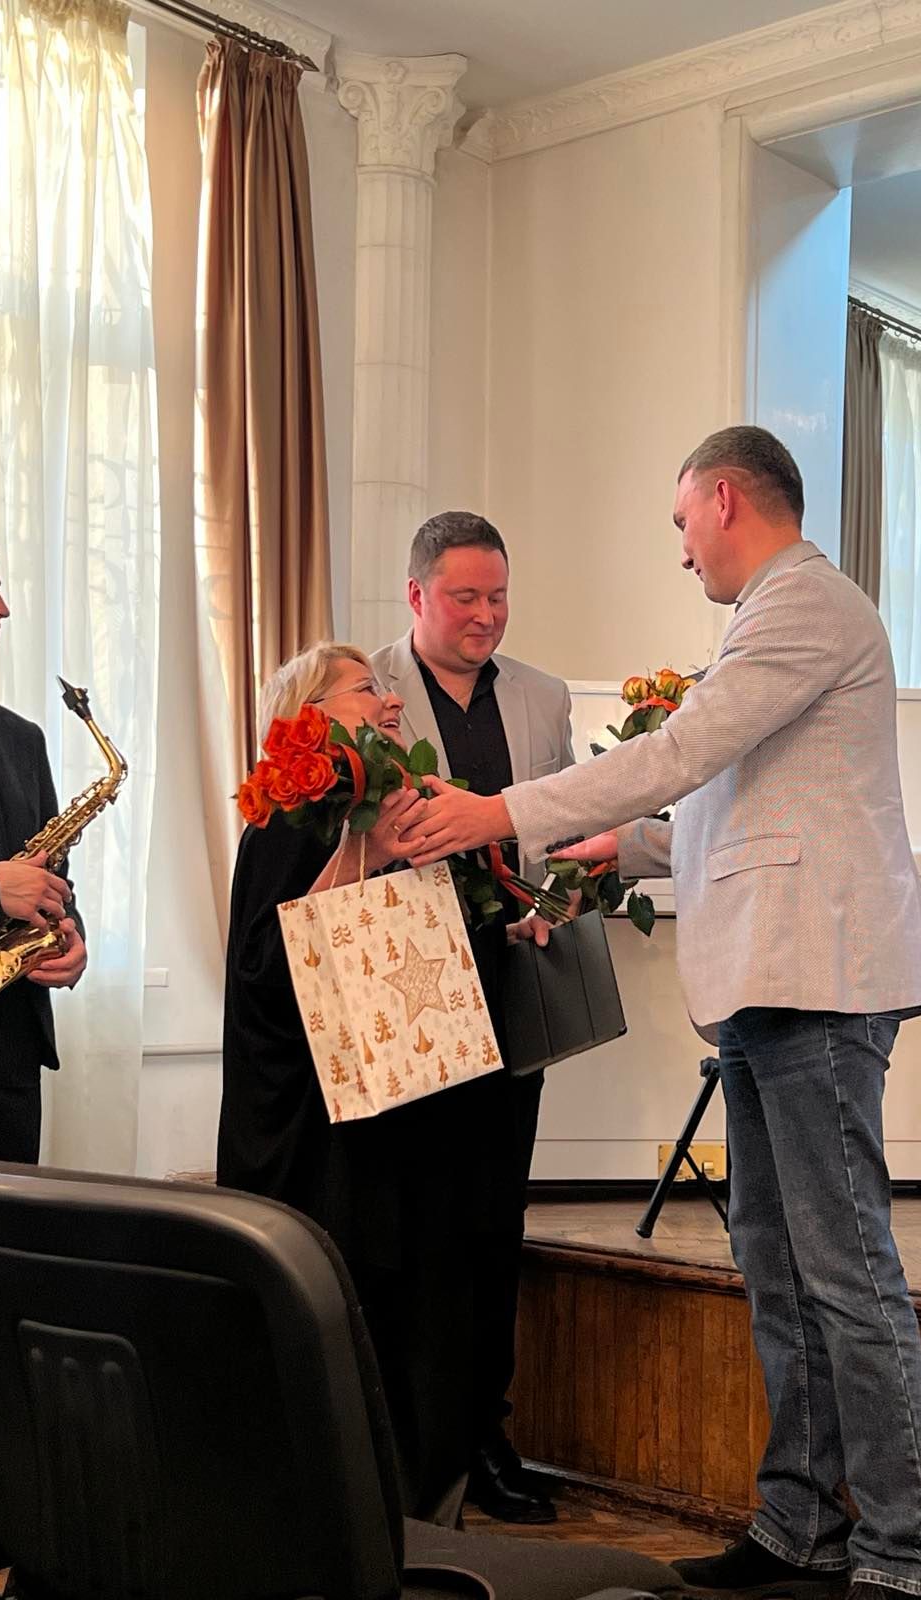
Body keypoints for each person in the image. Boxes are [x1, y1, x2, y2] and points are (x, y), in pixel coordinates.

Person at [397, 429, 921, 1600]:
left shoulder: (805, 604)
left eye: (683, 521)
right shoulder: (770, 617)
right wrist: (623, 844)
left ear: (725, 498)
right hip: (767, 983)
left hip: (818, 980)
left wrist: (502, 811)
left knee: (845, 1272)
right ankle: (800, 1526)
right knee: (778, 1267)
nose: (682, 548)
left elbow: (688, 749)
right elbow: (725, 800)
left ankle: (899, 1558)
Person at [217, 641, 514, 1525]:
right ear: (310, 713)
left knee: (422, 1303)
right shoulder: (286, 818)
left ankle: (422, 1506)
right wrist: (363, 849)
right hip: (317, 1131)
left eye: (387, 689)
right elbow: (272, 968)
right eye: (366, 688)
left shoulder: (391, 806)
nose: (389, 701)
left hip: (405, 1111)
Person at [371, 511, 575, 1524]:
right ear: (416, 596)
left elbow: (565, 835)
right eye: (465, 597)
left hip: (510, 986)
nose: (486, 615)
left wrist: (556, 903)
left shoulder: (542, 695)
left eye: (498, 596)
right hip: (404, 996)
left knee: (495, 1220)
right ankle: (408, 1440)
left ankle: (486, 1436)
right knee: (412, 1222)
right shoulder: (362, 690)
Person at [0, 527, 87, 1163]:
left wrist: (70, 936)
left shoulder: (23, 740)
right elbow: (0, 887)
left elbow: (55, 879)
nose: (3, 607)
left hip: (8, 1059)